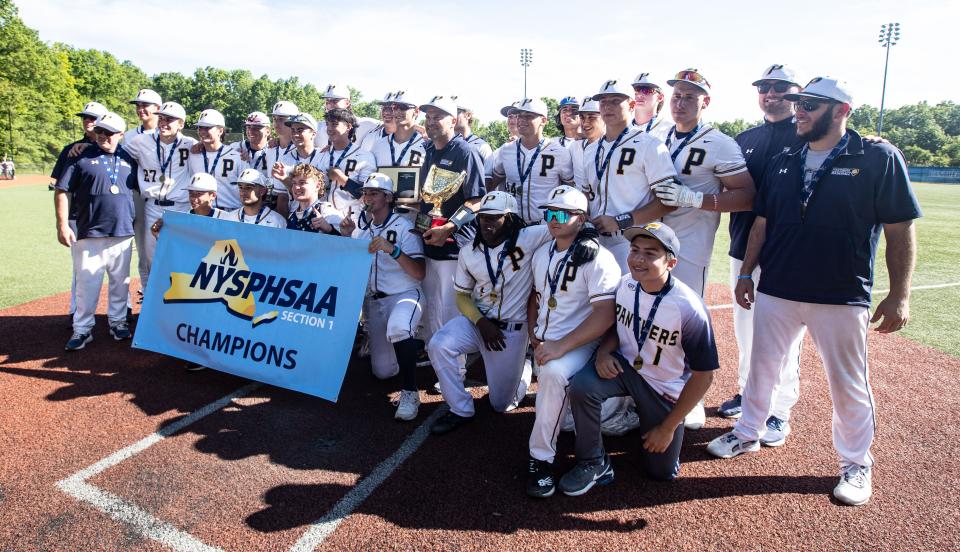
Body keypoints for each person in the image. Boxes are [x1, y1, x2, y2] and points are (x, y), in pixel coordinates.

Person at [706, 77, 922, 507]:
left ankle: (856, 462)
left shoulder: (879, 156)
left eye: (809, 105)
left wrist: (900, 295)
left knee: (848, 384)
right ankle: (747, 433)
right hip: (778, 286)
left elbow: (900, 229)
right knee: (761, 367)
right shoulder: (787, 157)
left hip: (841, 293)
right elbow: (763, 223)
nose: (798, 111)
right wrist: (747, 274)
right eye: (798, 103)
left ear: (842, 110)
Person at [559, 223, 718, 495]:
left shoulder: (688, 308)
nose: (638, 259)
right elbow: (614, 328)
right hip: (627, 369)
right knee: (582, 387)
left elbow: (705, 376)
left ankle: (652, 419)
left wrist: (668, 428)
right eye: (634, 250)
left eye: (650, 254)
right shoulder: (626, 284)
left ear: (671, 262)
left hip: (663, 388)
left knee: (660, 472)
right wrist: (604, 352)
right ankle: (593, 461)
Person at [651, 68, 755, 431]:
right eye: (677, 95)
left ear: (705, 102)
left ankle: (688, 395)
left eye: (690, 97)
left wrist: (696, 198)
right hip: (649, 240)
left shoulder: (721, 143)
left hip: (690, 246)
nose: (680, 102)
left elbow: (746, 196)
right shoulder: (656, 133)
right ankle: (649, 389)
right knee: (644, 315)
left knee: (685, 318)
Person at [718, 64, 806, 443]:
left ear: (797, 94)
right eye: (764, 88)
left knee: (785, 337)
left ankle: (780, 409)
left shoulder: (807, 133)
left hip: (786, 252)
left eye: (780, 88)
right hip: (742, 245)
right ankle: (747, 391)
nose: (771, 94)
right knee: (745, 329)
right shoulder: (745, 137)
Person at [427, 191, 551, 434]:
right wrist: (481, 323)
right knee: (438, 344)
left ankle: (523, 371)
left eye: (496, 217)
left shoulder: (530, 236)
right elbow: (462, 296)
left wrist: (588, 233)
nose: (487, 223)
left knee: (501, 405)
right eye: (484, 217)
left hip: (511, 331)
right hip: (478, 323)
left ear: (512, 219)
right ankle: (460, 408)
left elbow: (564, 227)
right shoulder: (469, 251)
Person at [525, 185, 620, 498]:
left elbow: (605, 316)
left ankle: (540, 458)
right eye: (549, 212)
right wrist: (533, 334)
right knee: (536, 393)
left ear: (581, 219)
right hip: (547, 339)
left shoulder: (599, 259)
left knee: (553, 375)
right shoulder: (542, 253)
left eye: (562, 213)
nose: (553, 218)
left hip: (581, 342)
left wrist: (559, 347)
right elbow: (536, 299)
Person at [339, 173, 426, 420]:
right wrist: (347, 237)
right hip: (374, 302)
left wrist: (394, 250)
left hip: (404, 295)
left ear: (388, 197)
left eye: (374, 193)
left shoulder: (404, 226)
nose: (368, 197)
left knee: (399, 327)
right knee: (383, 372)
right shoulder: (362, 228)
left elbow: (419, 272)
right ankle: (407, 352)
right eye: (366, 193)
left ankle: (410, 391)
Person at [54, 112, 138, 351]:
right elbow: (62, 191)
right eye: (99, 131)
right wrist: (61, 224)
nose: (102, 136)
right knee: (86, 284)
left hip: (122, 231)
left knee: (120, 283)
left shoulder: (129, 157)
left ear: (121, 135)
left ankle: (118, 322)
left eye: (109, 132)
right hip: (89, 231)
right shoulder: (79, 155)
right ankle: (83, 329)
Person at [582, 78, 678, 271]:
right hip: (595, 240)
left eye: (616, 101)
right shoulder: (591, 149)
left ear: (632, 105)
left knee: (629, 299)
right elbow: (586, 195)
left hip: (632, 243)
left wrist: (620, 221)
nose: (608, 107)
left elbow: (671, 200)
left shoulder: (650, 145)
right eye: (603, 102)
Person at [415, 95, 487, 343]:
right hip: (429, 238)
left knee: (450, 309)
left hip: (453, 244)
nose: (431, 121)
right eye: (428, 117)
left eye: (438, 117)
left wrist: (449, 226)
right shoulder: (428, 151)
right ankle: (438, 362)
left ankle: (456, 370)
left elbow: (477, 200)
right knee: (432, 306)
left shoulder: (466, 151)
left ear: (453, 120)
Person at [122, 101, 198, 292]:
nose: (164, 122)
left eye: (170, 119)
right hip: (152, 205)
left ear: (181, 124)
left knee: (181, 255)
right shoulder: (141, 141)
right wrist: (84, 146)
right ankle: (154, 300)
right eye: (161, 118)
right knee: (151, 257)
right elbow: (114, 151)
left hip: (180, 207)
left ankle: (180, 299)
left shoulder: (192, 145)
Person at [51, 101, 109, 321]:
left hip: (111, 217)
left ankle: (123, 310)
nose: (88, 121)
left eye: (93, 118)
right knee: (81, 268)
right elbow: (61, 188)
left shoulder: (121, 149)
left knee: (117, 268)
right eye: (85, 117)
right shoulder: (72, 149)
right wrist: (62, 223)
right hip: (80, 216)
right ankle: (76, 311)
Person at [488, 98, 575, 224]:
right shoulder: (506, 150)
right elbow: (492, 183)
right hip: (512, 225)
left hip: (546, 226)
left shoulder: (559, 152)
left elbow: (570, 191)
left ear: (543, 120)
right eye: (519, 116)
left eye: (528, 116)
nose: (522, 120)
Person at [321, 108, 377, 216]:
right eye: (327, 124)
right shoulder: (322, 154)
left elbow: (369, 196)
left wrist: (342, 179)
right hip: (323, 217)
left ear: (348, 127)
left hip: (352, 218)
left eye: (334, 124)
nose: (329, 129)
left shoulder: (364, 157)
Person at [187, 109, 241, 210]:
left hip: (230, 213)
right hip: (202, 213)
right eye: (200, 128)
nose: (202, 131)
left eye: (207, 128)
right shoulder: (194, 155)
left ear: (220, 131)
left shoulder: (237, 156)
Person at [314, 83, 382, 151]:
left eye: (335, 101)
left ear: (347, 103)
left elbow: (387, 127)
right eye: (327, 101)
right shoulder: (317, 127)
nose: (330, 105)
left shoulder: (366, 124)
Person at [371, 92, 426, 169]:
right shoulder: (378, 145)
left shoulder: (427, 145)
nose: (398, 111)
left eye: (403, 107)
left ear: (416, 111)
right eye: (395, 107)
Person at [285, 163, 344, 235]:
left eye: (302, 183)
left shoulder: (328, 212)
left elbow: (344, 244)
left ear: (317, 186)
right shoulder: (292, 216)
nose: (296, 187)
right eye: (294, 183)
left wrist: (329, 230)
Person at [570, 99, 604, 191]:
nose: (585, 123)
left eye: (591, 117)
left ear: (604, 117)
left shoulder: (613, 146)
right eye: (582, 117)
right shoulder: (574, 146)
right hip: (578, 203)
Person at [630, 73, 671, 140]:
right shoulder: (621, 129)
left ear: (660, 97)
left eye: (646, 90)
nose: (639, 95)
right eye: (636, 90)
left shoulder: (669, 130)